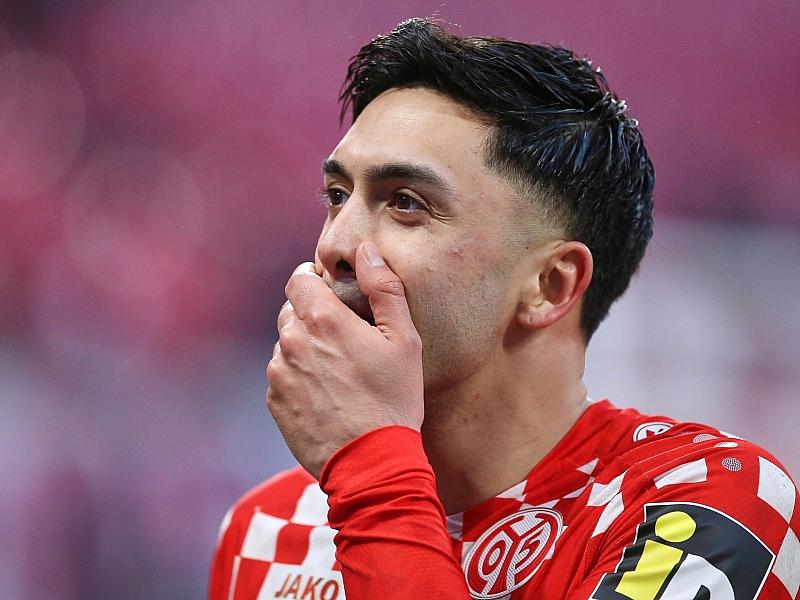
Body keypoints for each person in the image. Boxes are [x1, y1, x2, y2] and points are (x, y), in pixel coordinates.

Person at [209, 17, 799, 600]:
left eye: (407, 203)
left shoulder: (708, 506)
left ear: (550, 284)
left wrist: (371, 472)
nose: (335, 244)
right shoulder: (268, 530)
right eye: (338, 196)